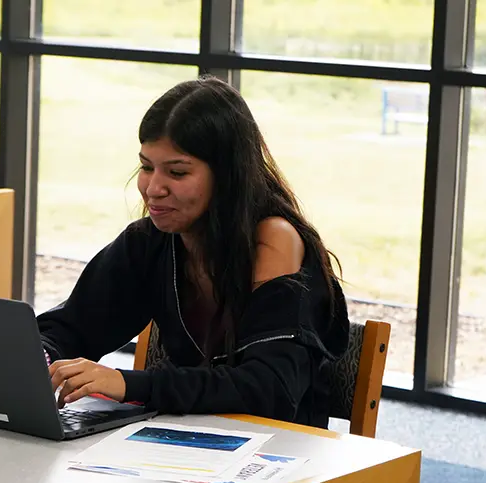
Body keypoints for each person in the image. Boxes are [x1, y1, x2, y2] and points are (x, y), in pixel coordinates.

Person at [37, 75, 349, 429]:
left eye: (177, 172)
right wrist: (39, 355)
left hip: (277, 453)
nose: (153, 188)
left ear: (228, 176)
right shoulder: (151, 240)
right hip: (184, 446)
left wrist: (128, 384)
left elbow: (269, 389)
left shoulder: (274, 240)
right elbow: (74, 326)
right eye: (146, 167)